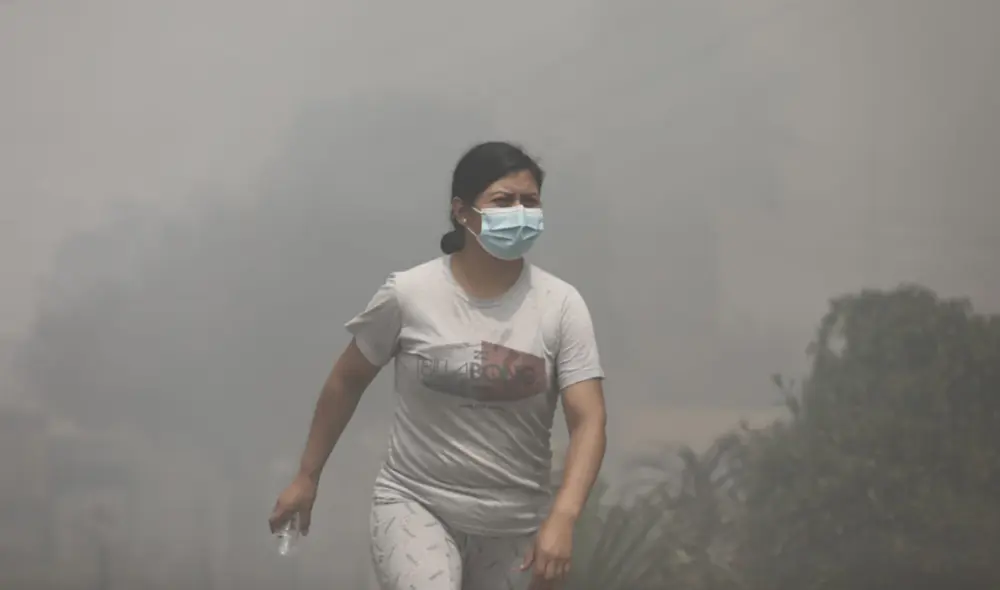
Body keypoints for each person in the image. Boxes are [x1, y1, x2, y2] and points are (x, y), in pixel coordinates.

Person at [269, 141, 607, 590]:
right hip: (416, 504)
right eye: (504, 201)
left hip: (517, 522)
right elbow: (346, 381)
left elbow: (589, 420)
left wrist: (564, 517)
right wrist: (306, 477)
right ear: (462, 212)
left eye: (530, 201)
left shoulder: (561, 306)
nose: (520, 212)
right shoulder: (410, 294)